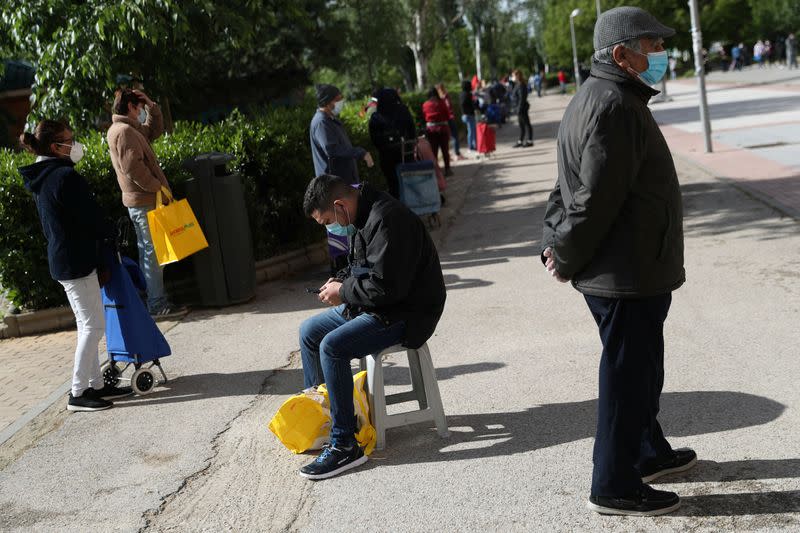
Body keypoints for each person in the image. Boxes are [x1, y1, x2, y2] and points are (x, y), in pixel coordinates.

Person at [541, 6, 696, 517]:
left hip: (631, 270)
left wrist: (553, 242)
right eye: (650, 46)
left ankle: (648, 453)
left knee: (641, 369)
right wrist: (562, 253)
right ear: (621, 54)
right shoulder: (614, 106)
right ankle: (613, 485)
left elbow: (565, 188)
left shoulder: (600, 96)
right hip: (625, 275)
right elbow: (590, 199)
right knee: (627, 377)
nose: (659, 54)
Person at [298, 174, 446, 479]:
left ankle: (344, 446)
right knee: (309, 333)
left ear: (339, 205)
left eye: (327, 220)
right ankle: (330, 420)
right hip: (373, 305)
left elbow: (387, 289)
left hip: (405, 312)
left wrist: (343, 291)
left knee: (332, 347)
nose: (330, 227)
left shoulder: (387, 219)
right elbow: (361, 268)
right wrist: (339, 280)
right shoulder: (359, 216)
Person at [19, 120, 134, 412]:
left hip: (66, 259)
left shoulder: (43, 176)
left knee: (90, 324)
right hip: (76, 261)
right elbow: (90, 218)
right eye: (70, 140)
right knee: (93, 326)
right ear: (56, 147)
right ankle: (78, 391)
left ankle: (96, 385)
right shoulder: (64, 178)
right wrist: (109, 236)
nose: (75, 145)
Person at [107, 88, 181, 317]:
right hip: (144, 201)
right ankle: (157, 304)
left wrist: (151, 105)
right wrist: (157, 187)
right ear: (130, 107)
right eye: (139, 107)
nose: (141, 111)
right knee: (153, 253)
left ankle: (157, 301)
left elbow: (154, 131)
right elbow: (132, 169)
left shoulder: (129, 129)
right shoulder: (124, 132)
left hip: (144, 201)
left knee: (152, 251)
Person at [309, 84, 375, 271]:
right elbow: (332, 150)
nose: (341, 101)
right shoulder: (321, 122)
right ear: (329, 101)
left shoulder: (330, 119)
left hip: (341, 184)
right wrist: (360, 152)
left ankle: (352, 270)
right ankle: (341, 274)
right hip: (332, 189)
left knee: (347, 229)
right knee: (338, 230)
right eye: (338, 98)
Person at [368, 88, 416, 198]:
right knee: (409, 181)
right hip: (405, 153)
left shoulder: (375, 117)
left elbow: (374, 140)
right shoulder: (403, 110)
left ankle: (399, 209)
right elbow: (412, 130)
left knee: (393, 184)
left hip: (387, 157)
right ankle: (413, 207)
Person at [422, 87, 452, 177]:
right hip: (442, 129)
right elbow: (447, 115)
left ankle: (436, 171)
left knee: (434, 152)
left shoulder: (425, 104)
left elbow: (424, 116)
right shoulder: (442, 102)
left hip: (431, 130)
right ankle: (447, 169)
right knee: (445, 150)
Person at [436, 83, 463, 161]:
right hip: (449, 118)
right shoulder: (445, 96)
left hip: (443, 120)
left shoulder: (438, 98)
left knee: (446, 139)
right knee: (454, 136)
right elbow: (448, 107)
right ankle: (456, 154)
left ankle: (449, 155)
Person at [511, 69, 533, 148]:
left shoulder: (521, 85)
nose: (512, 77)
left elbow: (522, 98)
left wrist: (519, 109)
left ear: (517, 76)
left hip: (521, 108)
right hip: (518, 108)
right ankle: (520, 140)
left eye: (513, 75)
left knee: (526, 124)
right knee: (521, 125)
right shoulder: (517, 84)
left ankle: (530, 140)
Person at [459, 80, 477, 152]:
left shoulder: (461, 94)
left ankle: (472, 145)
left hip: (464, 115)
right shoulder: (468, 94)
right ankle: (471, 146)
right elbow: (469, 104)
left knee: (470, 131)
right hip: (469, 115)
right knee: (471, 131)